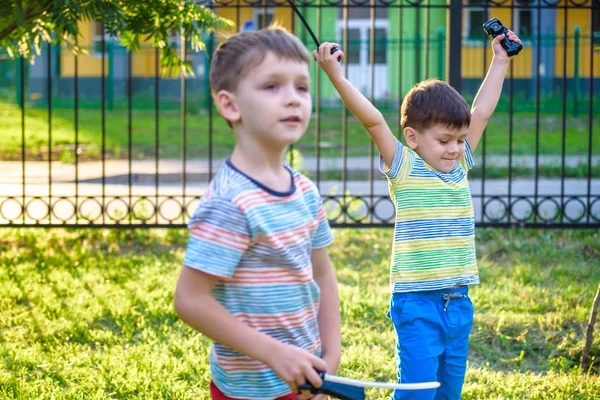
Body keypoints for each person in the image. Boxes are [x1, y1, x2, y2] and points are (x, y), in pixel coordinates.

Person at [314, 29, 521, 399]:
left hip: (458, 300)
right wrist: (336, 76)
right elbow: (374, 121)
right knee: (418, 392)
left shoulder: (459, 166)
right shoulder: (404, 166)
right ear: (412, 137)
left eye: (460, 140)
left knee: (449, 392)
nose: (455, 149)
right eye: (445, 140)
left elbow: (481, 112)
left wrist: (500, 60)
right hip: (416, 303)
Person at [174, 27, 341, 400]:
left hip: (304, 378)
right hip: (248, 390)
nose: (293, 99)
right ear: (230, 105)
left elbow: (322, 274)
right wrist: (275, 354)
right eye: (272, 86)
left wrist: (330, 356)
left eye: (302, 87)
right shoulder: (230, 203)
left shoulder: (305, 191)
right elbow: (190, 299)